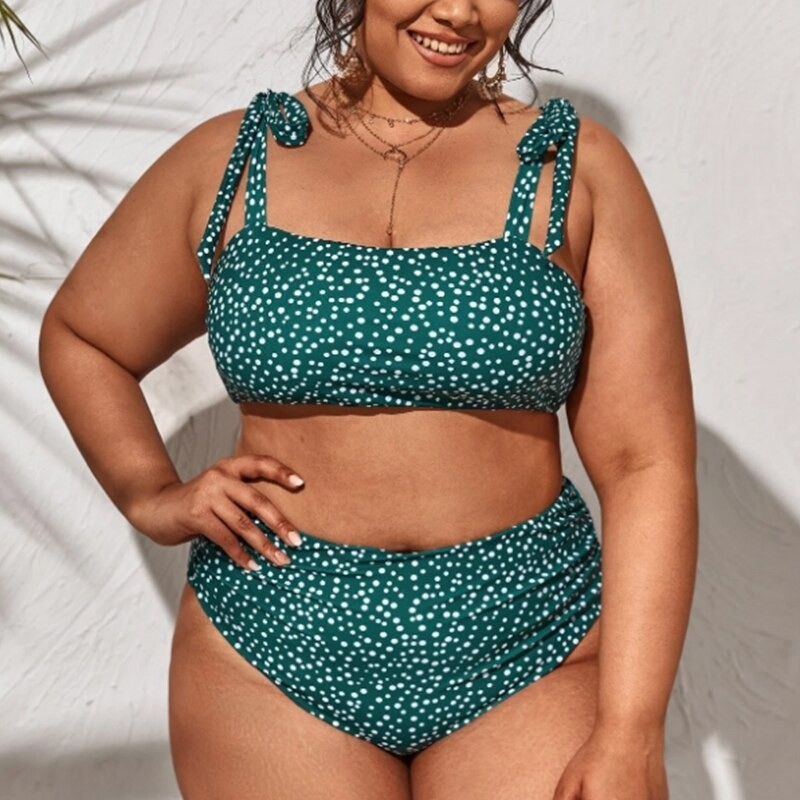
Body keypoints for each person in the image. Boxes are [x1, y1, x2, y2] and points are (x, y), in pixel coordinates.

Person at [38, 1, 697, 798]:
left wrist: (632, 728)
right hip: (271, 636)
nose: (456, 11)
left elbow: (644, 464)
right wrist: (150, 493)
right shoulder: (234, 160)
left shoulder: (575, 168)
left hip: (530, 640)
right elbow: (85, 338)